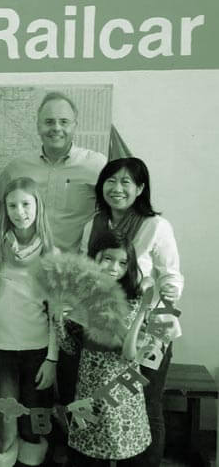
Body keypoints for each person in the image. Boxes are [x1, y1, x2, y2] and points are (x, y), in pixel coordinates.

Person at [81, 157, 184, 467]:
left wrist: (170, 293)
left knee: (147, 405)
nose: (117, 188)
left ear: (140, 188)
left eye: (126, 182)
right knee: (102, 406)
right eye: (111, 181)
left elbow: (171, 275)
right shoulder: (94, 224)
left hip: (147, 333)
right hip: (104, 337)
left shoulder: (155, 225)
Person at [0, 177, 58, 467]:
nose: (19, 211)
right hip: (3, 353)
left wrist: (52, 360)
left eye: (26, 204)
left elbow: (55, 315)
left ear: (38, 207)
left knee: (32, 431)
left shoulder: (51, 255)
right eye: (12, 205)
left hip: (38, 354)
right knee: (6, 432)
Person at [63, 230, 151, 466]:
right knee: (90, 452)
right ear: (95, 258)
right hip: (89, 384)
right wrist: (59, 320)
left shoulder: (132, 300)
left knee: (121, 447)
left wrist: (142, 311)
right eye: (108, 259)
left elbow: (131, 354)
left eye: (123, 263)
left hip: (121, 389)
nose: (114, 268)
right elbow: (70, 347)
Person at [0, 91, 106, 253]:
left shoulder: (97, 166)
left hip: (73, 269)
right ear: (38, 126)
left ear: (75, 125)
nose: (56, 128)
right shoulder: (16, 168)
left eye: (64, 122)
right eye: (49, 122)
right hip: (25, 267)